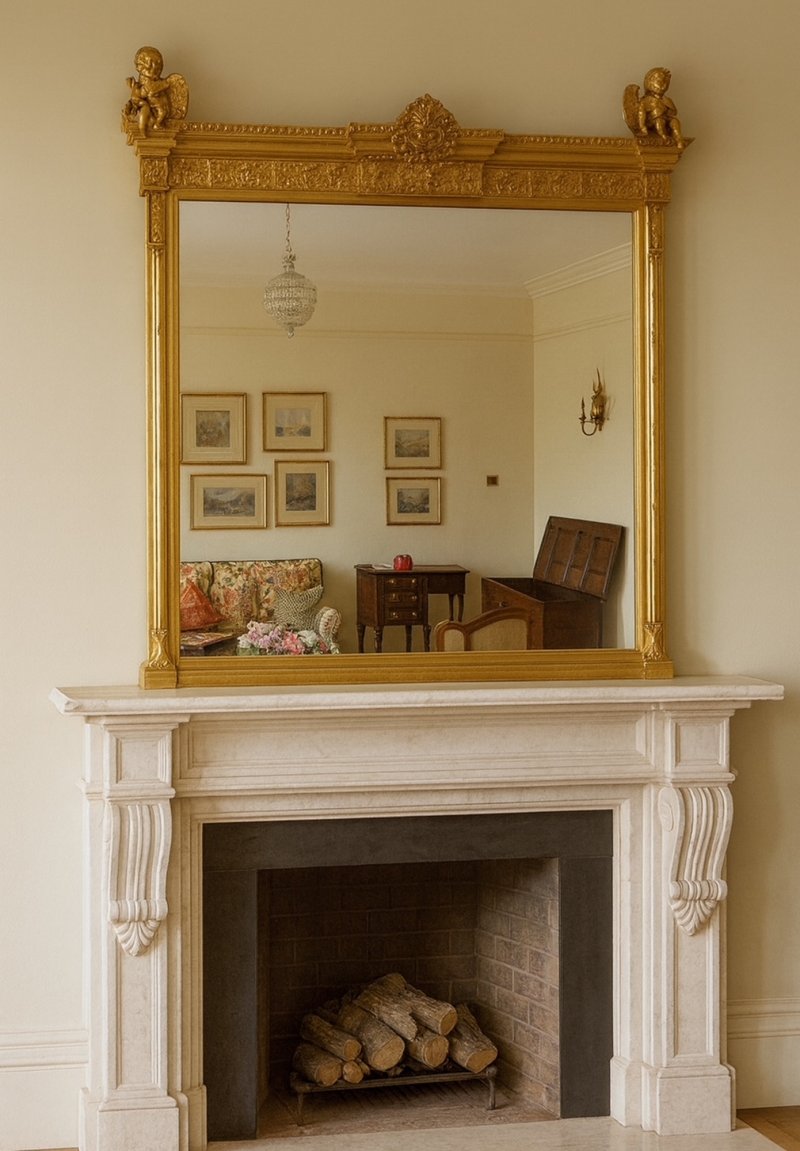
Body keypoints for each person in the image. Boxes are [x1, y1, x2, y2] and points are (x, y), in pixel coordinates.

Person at [125, 46, 173, 132]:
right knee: (161, 112)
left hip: (158, 105)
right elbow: (146, 91)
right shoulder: (146, 84)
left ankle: (157, 123)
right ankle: (157, 124)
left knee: (163, 112)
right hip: (152, 106)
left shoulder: (152, 82)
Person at [636, 67, 684, 148]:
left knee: (675, 122)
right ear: (650, 82)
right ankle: (663, 137)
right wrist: (642, 128)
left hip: (665, 119)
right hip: (653, 121)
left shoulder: (666, 99)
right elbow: (642, 114)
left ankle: (679, 139)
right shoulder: (646, 100)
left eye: (665, 82)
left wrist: (669, 113)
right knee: (659, 121)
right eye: (659, 81)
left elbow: (673, 112)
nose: (663, 85)